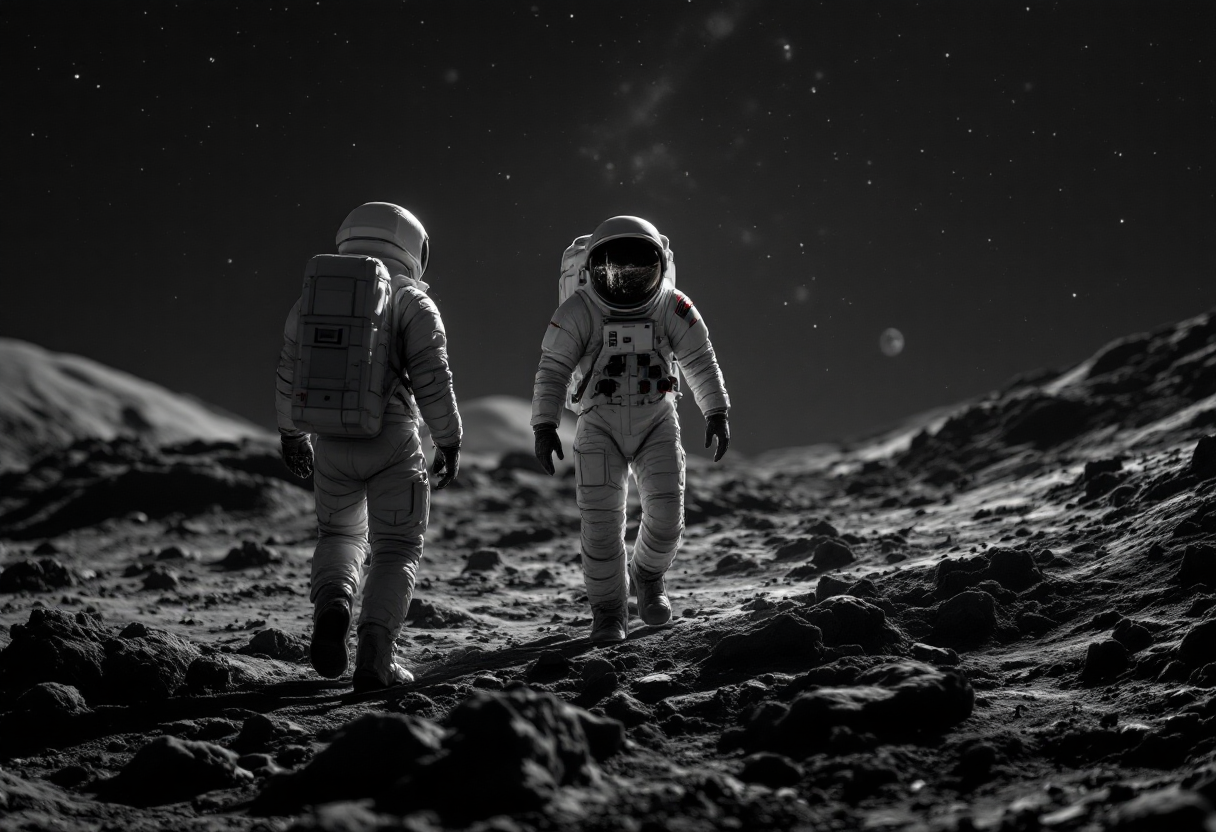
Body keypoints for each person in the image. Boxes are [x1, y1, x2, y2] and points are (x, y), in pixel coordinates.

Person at [275, 202, 462, 690]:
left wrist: (291, 433)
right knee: (396, 547)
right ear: (411, 246)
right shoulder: (412, 302)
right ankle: (376, 656)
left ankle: (334, 604)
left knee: (338, 538)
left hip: (331, 442)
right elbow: (432, 377)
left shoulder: (313, 299)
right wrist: (449, 439)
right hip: (393, 440)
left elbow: (289, 370)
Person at [531, 215, 730, 643]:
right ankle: (608, 612)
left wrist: (716, 411)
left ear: (660, 265)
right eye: (615, 269)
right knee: (601, 527)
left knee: (666, 517)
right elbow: (553, 369)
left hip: (656, 418)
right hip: (598, 422)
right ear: (593, 269)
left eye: (639, 269)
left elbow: (699, 360)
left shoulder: (673, 306)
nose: (625, 280)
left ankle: (648, 576)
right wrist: (545, 424)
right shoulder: (579, 310)